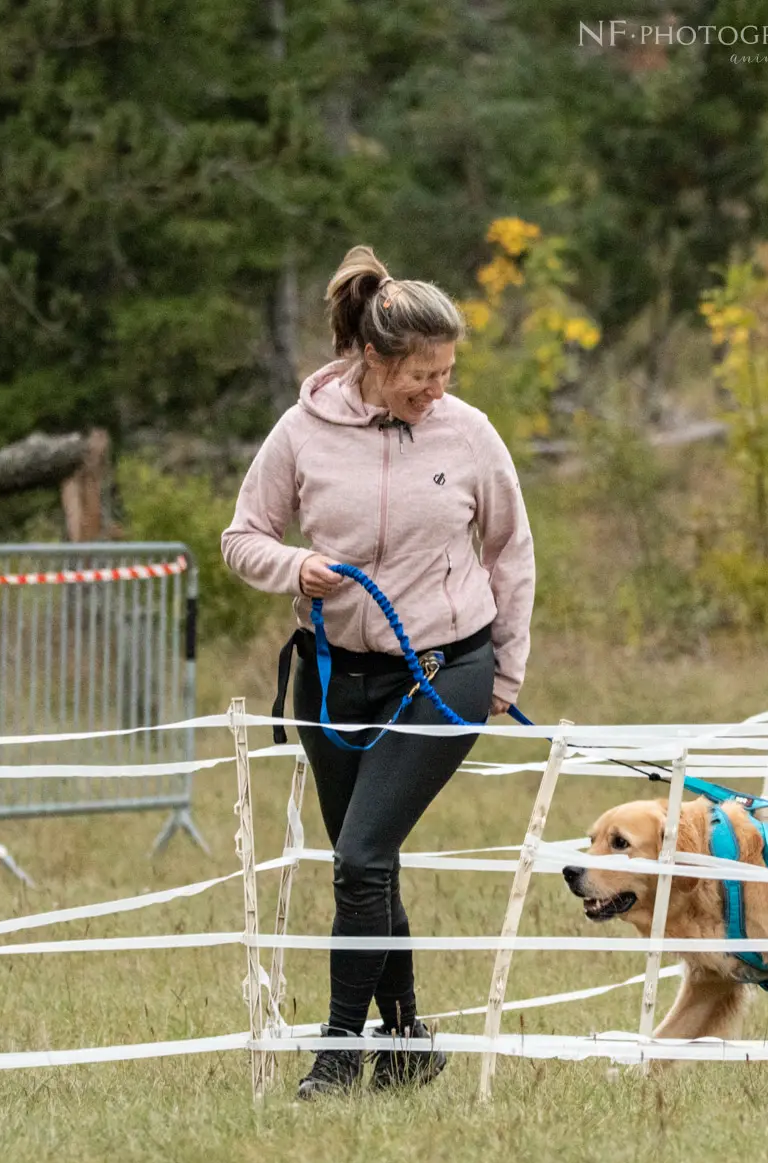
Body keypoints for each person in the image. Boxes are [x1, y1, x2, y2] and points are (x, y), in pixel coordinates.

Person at [221, 245, 535, 1098]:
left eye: (446, 372)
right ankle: (406, 1045)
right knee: (372, 864)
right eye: (421, 375)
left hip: (446, 668)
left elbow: (510, 550)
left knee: (359, 857)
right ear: (372, 358)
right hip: (333, 677)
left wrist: (505, 670)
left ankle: (337, 1054)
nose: (436, 390)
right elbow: (241, 537)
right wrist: (295, 568)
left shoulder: (467, 433)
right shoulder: (300, 432)